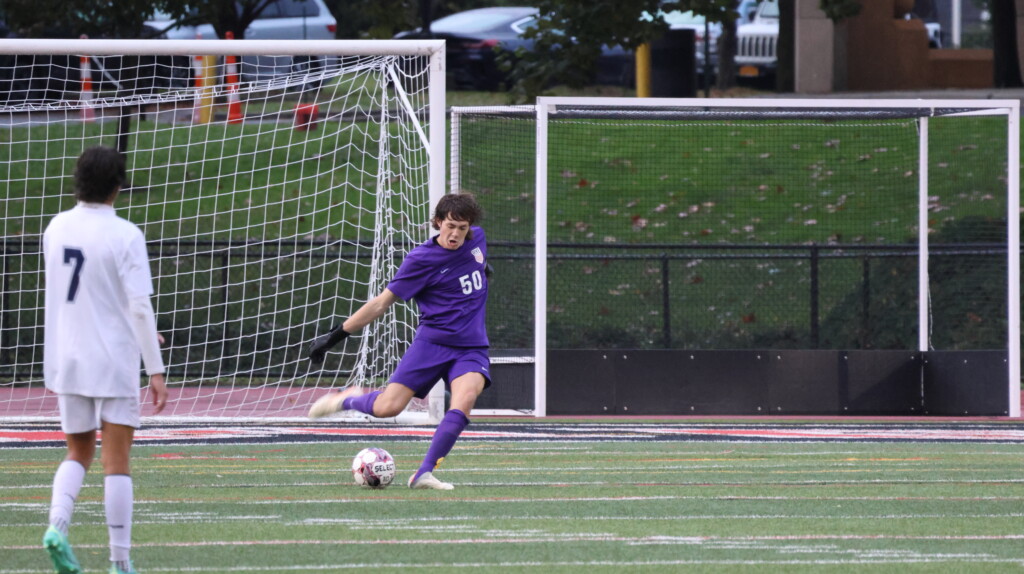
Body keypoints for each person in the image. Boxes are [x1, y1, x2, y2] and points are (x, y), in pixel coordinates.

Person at [307, 192, 490, 490]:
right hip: (431, 345)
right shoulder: (420, 260)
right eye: (450, 226)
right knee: (387, 408)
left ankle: (424, 473)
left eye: (462, 227)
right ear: (437, 222)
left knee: (465, 399)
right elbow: (381, 304)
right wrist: (334, 337)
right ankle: (346, 399)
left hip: (471, 347)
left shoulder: (477, 240)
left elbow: (476, 268)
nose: (456, 233)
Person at [41, 146, 168, 574]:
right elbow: (136, 307)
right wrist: (155, 367)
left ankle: (57, 527)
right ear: (118, 186)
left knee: (77, 451)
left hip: (67, 357)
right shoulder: (125, 234)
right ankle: (119, 562)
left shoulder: (55, 228)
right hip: (113, 359)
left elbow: (81, 294)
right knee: (117, 460)